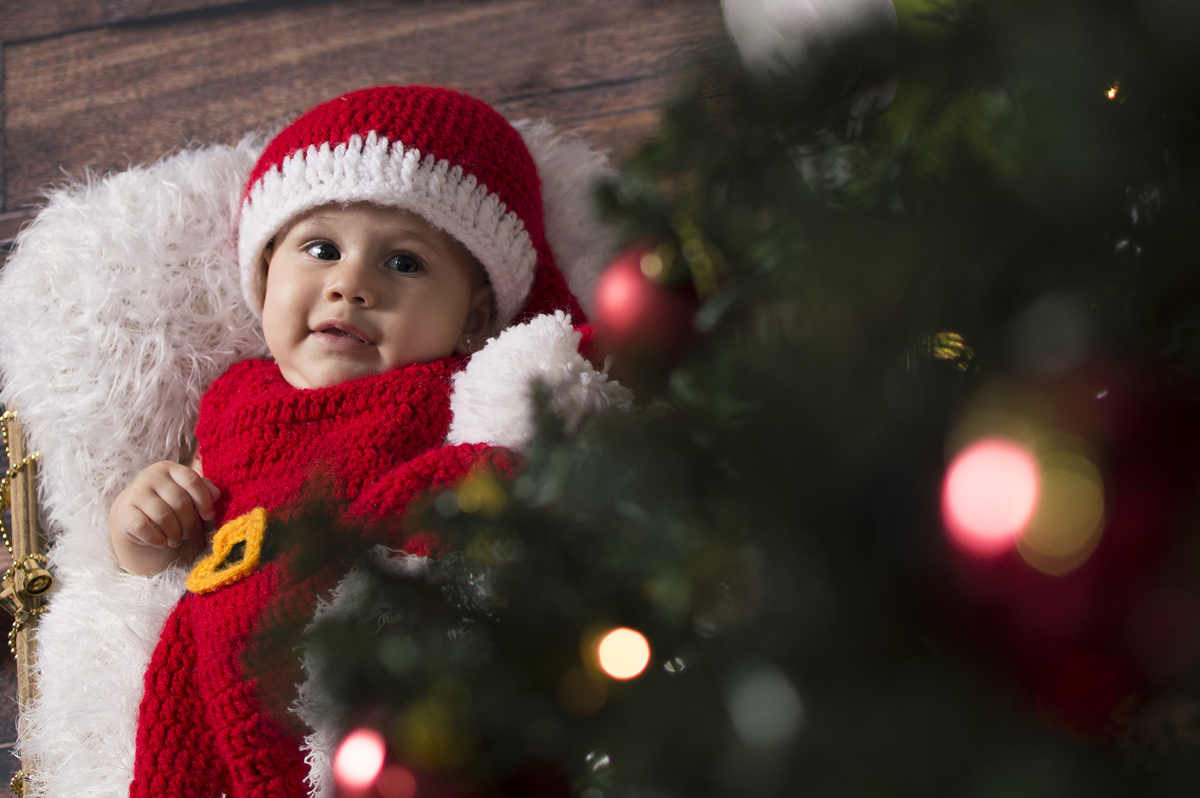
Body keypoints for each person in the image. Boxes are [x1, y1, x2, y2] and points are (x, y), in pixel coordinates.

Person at [106, 85, 617, 798]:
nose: (350, 284)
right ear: (266, 275)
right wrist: (143, 524)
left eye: (404, 263)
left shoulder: (457, 387)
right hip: (222, 664)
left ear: (474, 318)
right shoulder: (234, 397)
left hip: (373, 652)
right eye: (322, 249)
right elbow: (178, 543)